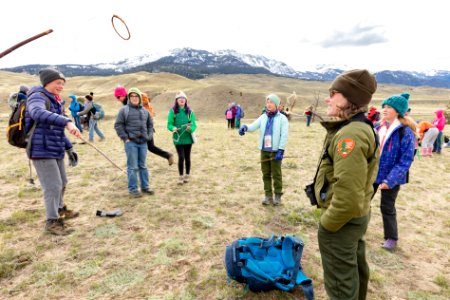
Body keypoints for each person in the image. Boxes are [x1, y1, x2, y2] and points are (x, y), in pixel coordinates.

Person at [311, 69, 378, 300]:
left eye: (334, 93)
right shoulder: (356, 128)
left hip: (342, 222)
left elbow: (348, 195)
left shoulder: (351, 135)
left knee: (340, 285)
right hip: (355, 216)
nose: (328, 99)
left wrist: (328, 225)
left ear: (350, 98)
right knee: (353, 273)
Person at [24, 68, 82, 236]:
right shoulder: (37, 96)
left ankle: (60, 209)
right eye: (58, 83)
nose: (61, 86)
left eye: (63, 84)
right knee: (53, 186)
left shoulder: (56, 101)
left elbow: (56, 128)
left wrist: (69, 147)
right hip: (41, 149)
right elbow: (38, 113)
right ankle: (52, 222)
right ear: (47, 82)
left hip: (55, 148)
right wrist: (68, 122)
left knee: (62, 182)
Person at [374, 93, 416, 251]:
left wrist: (389, 180)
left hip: (392, 176)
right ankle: (356, 230)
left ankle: (391, 238)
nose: (384, 110)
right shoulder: (377, 127)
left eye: (389, 107)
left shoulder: (405, 132)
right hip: (372, 173)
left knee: (387, 206)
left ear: (398, 111)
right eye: (383, 106)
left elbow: (406, 160)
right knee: (362, 202)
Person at [239, 94, 289, 205]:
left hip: (276, 151)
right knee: (265, 174)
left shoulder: (282, 119)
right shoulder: (263, 117)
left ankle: (277, 196)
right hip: (264, 151)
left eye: (271, 102)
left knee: (276, 174)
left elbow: (284, 135)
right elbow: (253, 126)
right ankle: (268, 196)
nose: (268, 104)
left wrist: (281, 150)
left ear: (276, 104)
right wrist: (245, 127)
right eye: (267, 102)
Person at [114, 87, 154, 198]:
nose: (134, 98)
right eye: (132, 96)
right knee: (132, 167)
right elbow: (118, 125)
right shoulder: (124, 110)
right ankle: (133, 189)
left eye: (136, 96)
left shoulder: (145, 111)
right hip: (131, 143)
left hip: (143, 143)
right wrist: (125, 138)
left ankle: (145, 187)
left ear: (140, 98)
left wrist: (149, 136)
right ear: (129, 97)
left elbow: (150, 125)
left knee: (143, 166)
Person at [167, 91, 197, 185]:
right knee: (181, 157)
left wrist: (190, 128)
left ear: (186, 100)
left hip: (188, 138)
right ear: (176, 100)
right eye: (180, 98)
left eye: (183, 98)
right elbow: (169, 124)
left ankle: (187, 175)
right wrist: (173, 128)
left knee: (187, 157)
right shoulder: (172, 112)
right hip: (178, 138)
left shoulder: (190, 112)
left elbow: (194, 125)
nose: (182, 100)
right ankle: (180, 176)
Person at [141, 92, 174, 165]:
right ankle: (168, 155)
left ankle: (139, 165)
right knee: (151, 147)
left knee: (145, 147)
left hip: (145, 130)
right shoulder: (147, 106)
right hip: (148, 129)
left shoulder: (143, 108)